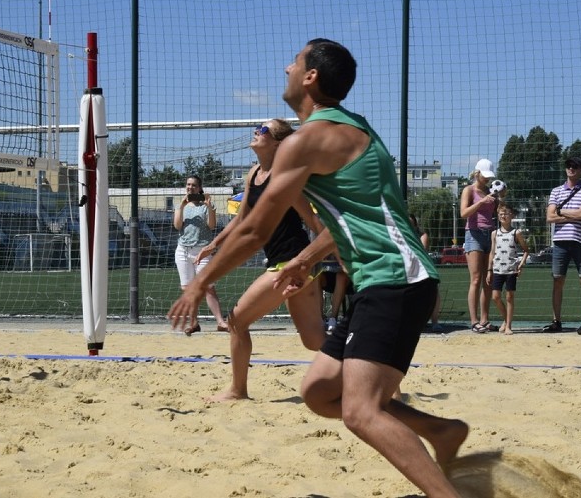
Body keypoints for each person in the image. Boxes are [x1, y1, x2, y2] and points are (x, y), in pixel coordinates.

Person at [169, 39, 468, 497]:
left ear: (310, 77)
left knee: (359, 412)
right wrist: (307, 259)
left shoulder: (310, 140)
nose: (285, 66)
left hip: (395, 280)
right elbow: (352, 218)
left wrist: (199, 284)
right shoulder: (348, 128)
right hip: (380, 279)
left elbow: (253, 231)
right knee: (318, 392)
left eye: (294, 61)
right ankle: (441, 432)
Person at [193, 118, 326, 401]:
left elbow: (312, 220)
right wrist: (214, 244)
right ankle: (377, 372)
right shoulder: (254, 174)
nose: (256, 132)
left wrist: (329, 253)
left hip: (291, 263)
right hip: (288, 263)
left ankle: (237, 391)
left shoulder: (285, 175)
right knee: (315, 340)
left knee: (237, 321)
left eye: (263, 130)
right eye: (257, 127)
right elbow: (243, 220)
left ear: (278, 143)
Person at [543, 157, 581, 335]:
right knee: (558, 280)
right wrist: (574, 215)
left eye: (575, 166)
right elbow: (549, 217)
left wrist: (560, 212)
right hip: (560, 242)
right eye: (568, 166)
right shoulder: (555, 191)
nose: (571, 169)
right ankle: (556, 320)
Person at [173, 175, 227, 335]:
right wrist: (181, 207)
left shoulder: (205, 206)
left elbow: (212, 226)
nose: (190, 188)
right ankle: (194, 323)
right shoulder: (181, 205)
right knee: (188, 289)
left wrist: (210, 207)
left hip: (202, 251)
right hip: (183, 250)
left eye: (194, 185)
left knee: (208, 287)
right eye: (188, 185)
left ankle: (220, 322)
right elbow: (177, 226)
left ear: (200, 188)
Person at [459, 158, 500, 333]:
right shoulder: (469, 190)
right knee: (475, 278)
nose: (487, 180)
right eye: (484, 176)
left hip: (490, 234)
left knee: (488, 280)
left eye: (489, 177)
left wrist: (499, 199)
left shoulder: (491, 192)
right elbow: (463, 213)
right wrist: (481, 202)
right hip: (473, 234)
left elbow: (498, 212)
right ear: (477, 174)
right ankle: (474, 320)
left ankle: (484, 319)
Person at [486, 203, 529, 335]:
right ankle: (505, 319)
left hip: (511, 270)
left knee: (509, 297)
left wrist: (521, 265)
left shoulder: (516, 233)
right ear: (498, 217)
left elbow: (526, 250)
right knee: (495, 297)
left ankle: (508, 325)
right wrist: (489, 270)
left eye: (506, 213)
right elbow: (492, 252)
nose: (504, 216)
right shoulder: (495, 233)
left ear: (512, 216)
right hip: (498, 269)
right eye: (501, 214)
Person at [410, 213, 442, 333]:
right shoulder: (399, 234)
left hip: (422, 267)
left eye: (412, 224)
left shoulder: (422, 235)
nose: (409, 226)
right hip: (405, 269)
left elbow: (420, 251)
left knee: (434, 288)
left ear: (416, 225)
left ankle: (435, 322)